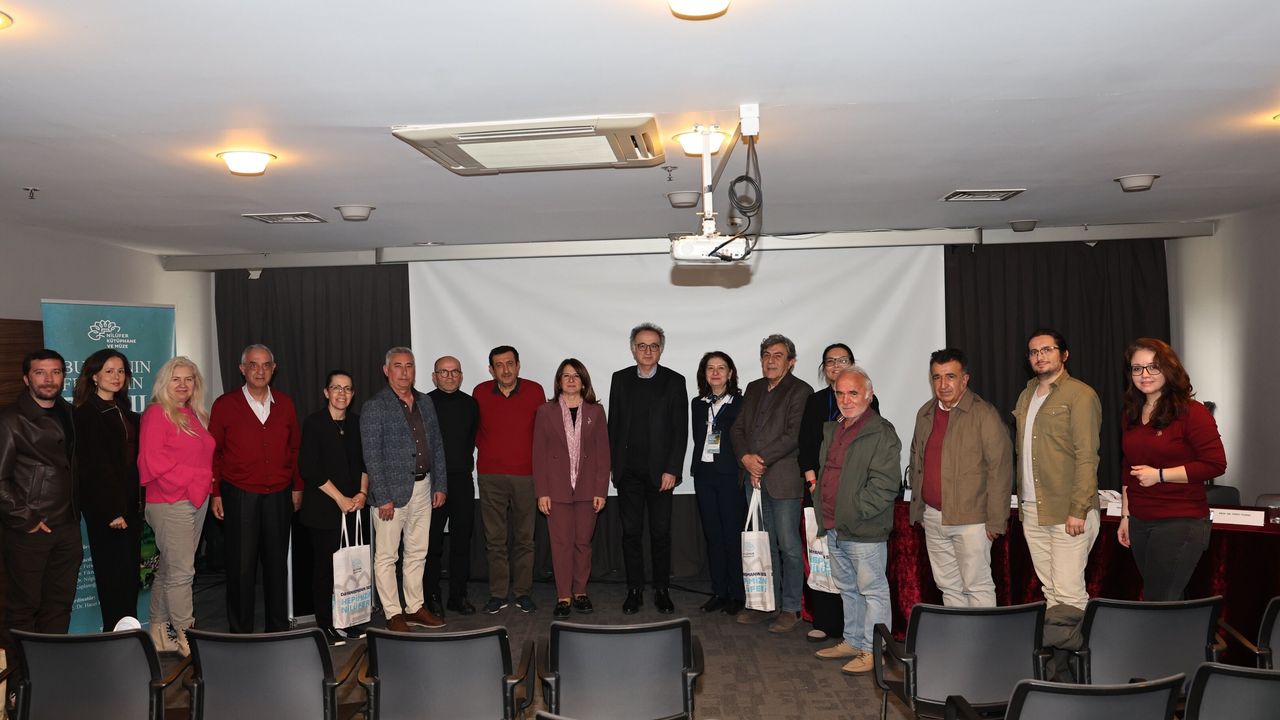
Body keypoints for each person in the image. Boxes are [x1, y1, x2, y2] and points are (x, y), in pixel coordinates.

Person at [1117, 338, 1226, 601]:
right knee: (1163, 599)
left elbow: (1215, 464)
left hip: (1180, 521)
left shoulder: (1192, 412)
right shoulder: (1131, 413)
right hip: (1140, 520)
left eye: (1153, 367)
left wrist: (1160, 475)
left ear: (1169, 368)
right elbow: (1128, 467)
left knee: (1160, 600)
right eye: (1137, 368)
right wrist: (1125, 516)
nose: (1144, 374)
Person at [812, 367, 901, 675]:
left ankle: (873, 651)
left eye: (853, 393)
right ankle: (853, 641)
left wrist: (853, 511)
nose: (846, 400)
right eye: (840, 393)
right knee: (848, 588)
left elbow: (885, 486)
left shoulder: (881, 432)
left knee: (872, 590)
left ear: (868, 395)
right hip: (834, 525)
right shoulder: (835, 429)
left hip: (863, 528)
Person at [208, 344, 303, 633]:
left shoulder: (285, 403)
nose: (260, 371)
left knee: (276, 566)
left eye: (266, 365)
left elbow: (295, 449)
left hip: (279, 495)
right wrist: (216, 492)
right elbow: (214, 453)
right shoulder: (225, 405)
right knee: (241, 568)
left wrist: (297, 487)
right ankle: (241, 634)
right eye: (253, 364)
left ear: (274, 369)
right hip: (240, 495)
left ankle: (277, 631)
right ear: (242, 369)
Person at [907, 348, 1013, 607]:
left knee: (977, 586)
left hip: (972, 520)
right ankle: (959, 634)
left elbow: (1000, 469)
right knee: (948, 587)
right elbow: (917, 461)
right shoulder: (925, 413)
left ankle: (982, 635)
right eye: (937, 377)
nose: (943, 384)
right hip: (933, 517)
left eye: (950, 377)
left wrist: (996, 521)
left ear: (965, 379)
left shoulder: (984, 414)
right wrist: (920, 510)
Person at [1013, 328, 1102, 610]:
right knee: (1050, 589)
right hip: (1033, 508)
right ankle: (1058, 639)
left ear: (1064, 355)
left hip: (1068, 511)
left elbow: (1087, 457)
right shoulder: (1026, 395)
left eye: (1047, 350)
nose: (1039, 356)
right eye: (1034, 352)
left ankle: (1077, 641)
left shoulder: (1080, 395)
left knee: (1068, 592)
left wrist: (1078, 509)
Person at [731, 334, 814, 632]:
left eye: (778, 355)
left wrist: (759, 461)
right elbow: (737, 429)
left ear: (791, 362)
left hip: (783, 480)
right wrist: (745, 459)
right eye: (766, 354)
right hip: (752, 479)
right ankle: (767, 605)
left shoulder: (801, 390)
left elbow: (793, 436)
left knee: (788, 546)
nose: (771, 360)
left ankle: (790, 608)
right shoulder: (753, 388)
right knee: (763, 546)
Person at [798, 343, 881, 641]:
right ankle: (826, 622)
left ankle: (856, 634)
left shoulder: (869, 401)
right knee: (822, 558)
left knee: (854, 568)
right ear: (823, 368)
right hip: (818, 491)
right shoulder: (816, 401)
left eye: (842, 360)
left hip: (853, 496)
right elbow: (806, 444)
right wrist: (812, 482)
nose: (836, 365)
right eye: (830, 361)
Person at [361, 347, 448, 631]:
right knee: (387, 556)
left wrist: (440, 484)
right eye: (397, 366)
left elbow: (436, 445)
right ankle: (392, 613)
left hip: (424, 488)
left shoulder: (425, 402)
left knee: (417, 552)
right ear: (386, 370)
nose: (404, 371)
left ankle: (414, 607)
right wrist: (382, 497)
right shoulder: (375, 406)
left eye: (409, 365)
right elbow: (371, 455)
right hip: (390, 495)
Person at [0, 349, 81, 644]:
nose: (49, 379)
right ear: (26, 379)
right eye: (40, 372)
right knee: (23, 608)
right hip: (30, 529)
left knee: (59, 604)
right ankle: (19, 672)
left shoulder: (70, 413)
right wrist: (27, 518)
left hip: (67, 525)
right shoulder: (10, 419)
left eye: (56, 372)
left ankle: (52, 667)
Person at [607, 323, 688, 615]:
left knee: (660, 534)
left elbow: (680, 430)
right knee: (630, 534)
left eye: (654, 346)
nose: (648, 351)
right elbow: (614, 425)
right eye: (642, 345)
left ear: (661, 350)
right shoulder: (620, 379)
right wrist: (614, 466)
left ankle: (661, 589)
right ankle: (634, 589)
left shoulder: (674, 381)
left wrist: (672, 469)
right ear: (633, 349)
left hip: (661, 475)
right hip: (628, 473)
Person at [138, 356, 216, 657]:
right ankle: (187, 636)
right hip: (171, 501)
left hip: (195, 498)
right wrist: (196, 478)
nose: (183, 384)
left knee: (170, 569)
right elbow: (151, 461)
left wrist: (203, 483)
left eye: (189, 379)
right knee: (183, 572)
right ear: (164, 382)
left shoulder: (193, 414)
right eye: (176, 379)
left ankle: (158, 632)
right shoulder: (157, 413)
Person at [534, 359, 610, 618]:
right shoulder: (545, 411)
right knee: (561, 544)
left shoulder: (596, 412)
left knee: (582, 543)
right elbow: (539, 455)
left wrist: (601, 490)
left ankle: (580, 592)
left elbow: (603, 455)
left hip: (588, 490)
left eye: (576, 375)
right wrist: (542, 492)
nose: (570, 380)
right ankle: (564, 596)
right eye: (565, 375)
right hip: (556, 491)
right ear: (558, 381)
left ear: (583, 381)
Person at [73, 348, 142, 632]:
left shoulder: (123, 409)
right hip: (108, 510)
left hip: (131, 506)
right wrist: (113, 511)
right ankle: (113, 634)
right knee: (112, 577)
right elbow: (93, 468)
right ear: (94, 376)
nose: (116, 377)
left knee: (129, 576)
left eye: (121, 371)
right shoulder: (86, 414)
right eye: (109, 371)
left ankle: (128, 633)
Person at [473, 346, 546, 615]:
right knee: (495, 539)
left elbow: (543, 431)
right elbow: (475, 431)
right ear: (491, 369)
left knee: (525, 538)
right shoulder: (480, 392)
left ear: (518, 365)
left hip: (526, 475)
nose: (505, 369)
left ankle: (523, 592)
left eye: (510, 363)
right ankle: (498, 593)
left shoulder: (535, 391)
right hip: (490, 476)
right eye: (499, 365)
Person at [299, 370, 369, 645]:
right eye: (336, 388)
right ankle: (325, 625)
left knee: (350, 570)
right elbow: (309, 468)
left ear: (353, 394)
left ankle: (348, 620)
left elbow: (365, 463)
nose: (342, 393)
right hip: (324, 509)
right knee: (325, 570)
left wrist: (362, 493)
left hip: (353, 508)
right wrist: (340, 498)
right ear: (326, 392)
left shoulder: (357, 423)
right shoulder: (314, 423)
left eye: (347, 388)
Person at [690, 351, 746, 615]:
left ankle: (737, 594)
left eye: (721, 368)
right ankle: (719, 592)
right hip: (704, 475)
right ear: (704, 373)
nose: (715, 372)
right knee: (713, 536)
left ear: (730, 373)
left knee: (731, 536)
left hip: (729, 475)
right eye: (710, 368)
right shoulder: (697, 403)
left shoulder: (741, 403)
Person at [425, 355, 480, 617]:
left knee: (461, 541)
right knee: (432, 543)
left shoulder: (471, 404)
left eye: (454, 371)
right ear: (434, 376)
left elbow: (471, 440)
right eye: (444, 372)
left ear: (461, 375)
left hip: (462, 480)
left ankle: (458, 596)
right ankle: (431, 596)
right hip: (432, 481)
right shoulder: (423, 403)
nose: (449, 376)